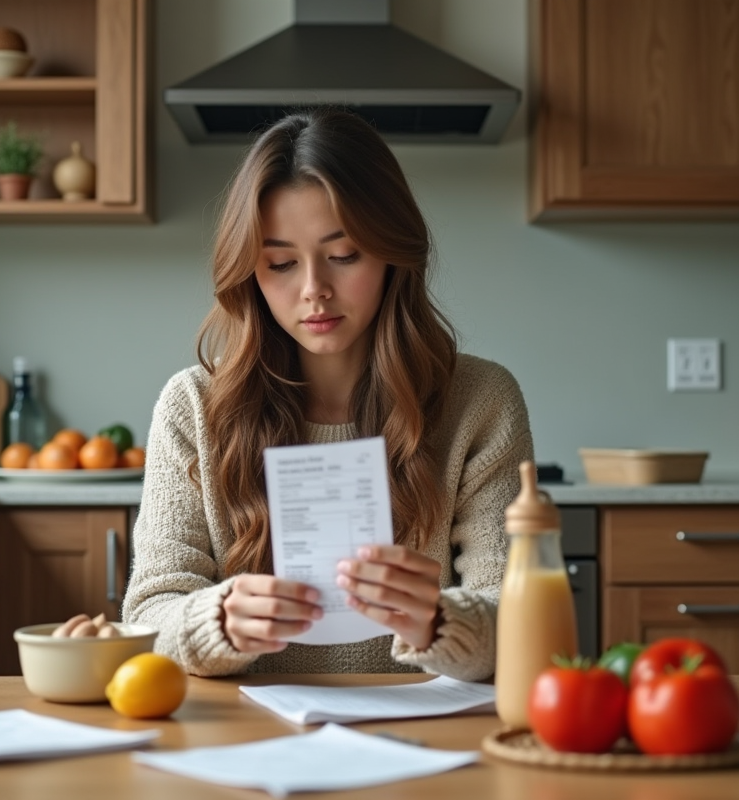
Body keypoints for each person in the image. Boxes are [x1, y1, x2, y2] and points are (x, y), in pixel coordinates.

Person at [120, 107, 533, 680]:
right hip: (247, 743)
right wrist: (218, 619)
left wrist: (439, 621)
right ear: (248, 271)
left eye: (343, 256)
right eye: (282, 263)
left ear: (393, 253)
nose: (314, 290)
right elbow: (147, 616)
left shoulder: (480, 400)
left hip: (422, 742)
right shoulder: (193, 407)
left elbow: (518, 618)